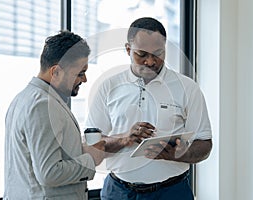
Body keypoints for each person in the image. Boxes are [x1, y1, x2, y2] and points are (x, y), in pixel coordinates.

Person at [85, 17, 213, 200]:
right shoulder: (108, 86)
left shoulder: (187, 87)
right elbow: (92, 146)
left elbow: (205, 145)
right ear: (128, 50)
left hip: (172, 192)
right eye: (142, 54)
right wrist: (124, 139)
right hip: (118, 193)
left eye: (158, 53)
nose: (151, 62)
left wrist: (178, 154)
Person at [4, 30, 106, 199]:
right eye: (80, 73)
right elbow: (49, 173)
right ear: (56, 72)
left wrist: (113, 144)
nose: (85, 79)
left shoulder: (23, 98)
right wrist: (91, 160)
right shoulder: (42, 105)